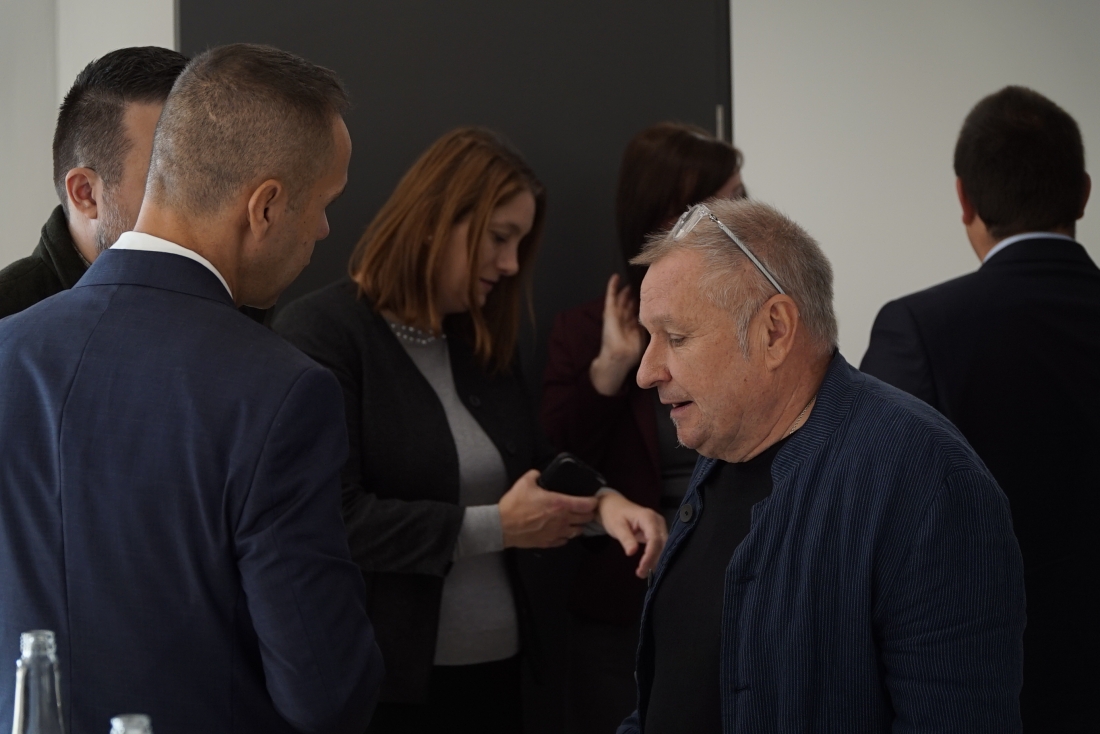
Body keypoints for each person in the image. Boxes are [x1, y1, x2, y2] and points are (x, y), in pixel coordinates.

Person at [0, 43, 383, 734]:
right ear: (266, 206)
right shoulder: (280, 392)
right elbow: (325, 692)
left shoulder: (8, 350)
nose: (325, 229)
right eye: (324, 204)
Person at [274, 127, 666, 734]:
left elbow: (537, 461)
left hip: (502, 673)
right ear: (436, 220)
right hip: (387, 687)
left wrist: (605, 504)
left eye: (519, 244)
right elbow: (337, 520)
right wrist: (498, 528)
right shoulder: (324, 334)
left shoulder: (479, 342)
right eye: (500, 238)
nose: (510, 265)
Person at [619, 197, 1026, 733]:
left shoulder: (928, 484)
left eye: (676, 338)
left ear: (774, 330)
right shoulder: (726, 447)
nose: (647, 371)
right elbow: (672, 689)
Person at [861, 86, 1099, 731]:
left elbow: (868, 509)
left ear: (963, 198)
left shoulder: (919, 329)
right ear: (1083, 193)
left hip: (985, 692)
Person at [540, 122, 744, 733]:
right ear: (664, 217)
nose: (736, 220)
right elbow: (556, 462)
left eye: (740, 198)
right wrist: (609, 371)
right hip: (627, 597)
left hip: (737, 588)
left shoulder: (751, 320)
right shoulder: (585, 330)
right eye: (718, 205)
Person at [0, 47, 187, 318]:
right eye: (165, 181)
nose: (200, 204)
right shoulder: (9, 317)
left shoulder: (239, 301)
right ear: (86, 194)